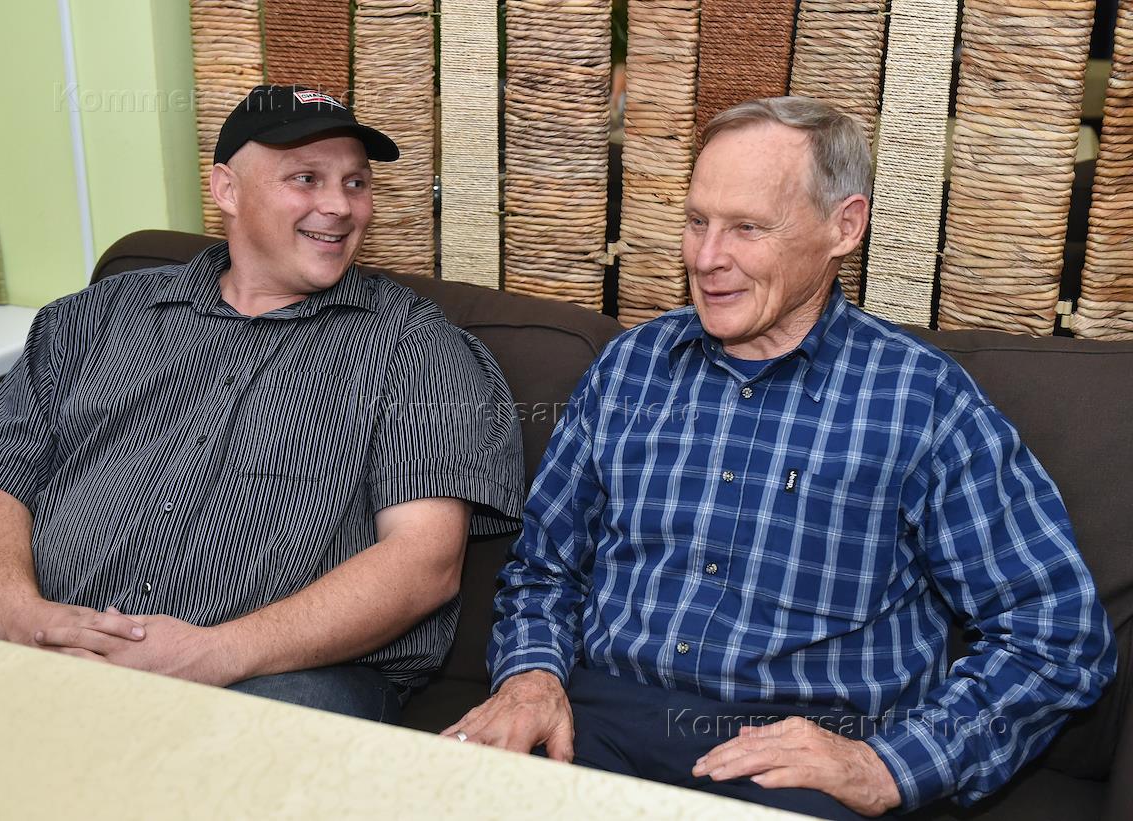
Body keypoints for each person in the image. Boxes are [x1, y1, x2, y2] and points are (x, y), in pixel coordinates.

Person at [445, 97, 1116, 819]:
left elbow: (1057, 635)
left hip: (800, 756)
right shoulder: (630, 368)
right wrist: (531, 678)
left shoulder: (920, 400)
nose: (707, 258)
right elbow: (543, 570)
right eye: (697, 221)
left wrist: (886, 766)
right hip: (598, 724)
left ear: (844, 227)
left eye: (748, 228)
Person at [0, 85, 525, 722]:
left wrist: (212, 654)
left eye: (356, 183)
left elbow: (423, 562)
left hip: (283, 675)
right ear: (227, 190)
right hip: (53, 638)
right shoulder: (95, 315)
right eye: (306, 178)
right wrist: (17, 612)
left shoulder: (417, 346)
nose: (339, 205)